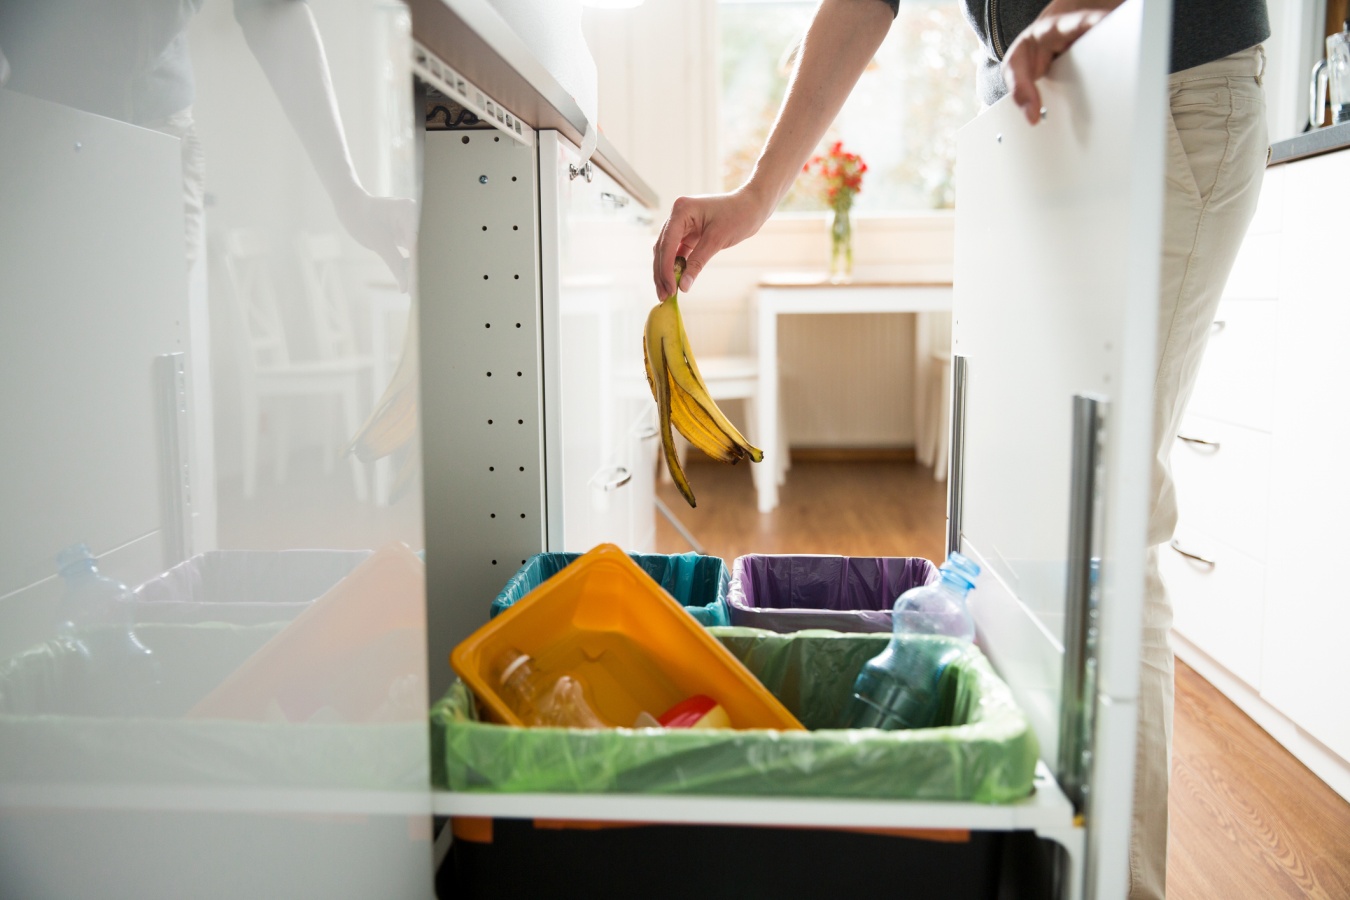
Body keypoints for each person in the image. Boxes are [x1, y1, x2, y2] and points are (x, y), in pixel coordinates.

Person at [651, 2, 1269, 898]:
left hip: (1166, 81)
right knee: (1009, 523)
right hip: (1041, 104)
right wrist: (755, 197)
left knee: (1101, 515)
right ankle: (1018, 854)